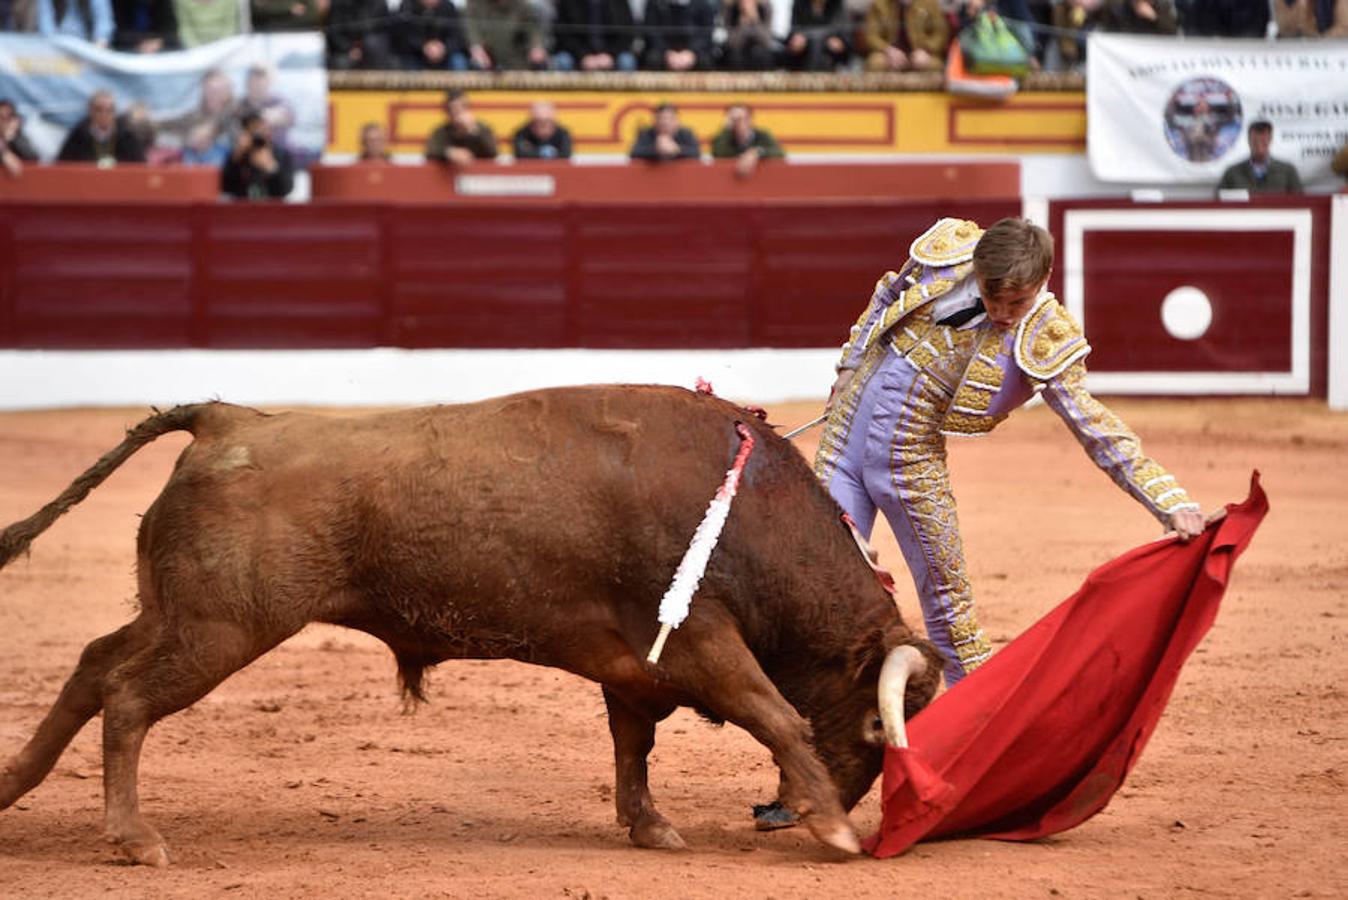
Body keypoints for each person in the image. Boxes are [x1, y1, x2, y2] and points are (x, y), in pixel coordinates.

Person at [753, 217, 1205, 832]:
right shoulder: (947, 255)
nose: (998, 309)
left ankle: (988, 771)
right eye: (990, 295)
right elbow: (886, 294)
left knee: (951, 618)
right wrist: (846, 370)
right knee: (813, 614)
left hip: (909, 468)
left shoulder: (1046, 334)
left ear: (1042, 282)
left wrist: (1167, 499)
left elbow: (1097, 428)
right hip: (842, 443)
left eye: (1013, 300)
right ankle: (806, 782)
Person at [57, 90, 146, 165]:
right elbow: (62, 165)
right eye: (99, 110)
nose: (104, 114)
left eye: (109, 110)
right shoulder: (78, 136)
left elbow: (140, 166)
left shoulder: (127, 137)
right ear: (90, 110)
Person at [221, 110, 294, 199]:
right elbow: (226, 188)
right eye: (250, 130)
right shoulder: (238, 154)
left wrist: (271, 167)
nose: (256, 134)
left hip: (271, 208)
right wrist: (237, 157)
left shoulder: (280, 154)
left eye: (259, 128)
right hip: (242, 207)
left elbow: (286, 189)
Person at [1217, 120, 1303, 194]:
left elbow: (1300, 202)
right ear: (1248, 141)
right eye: (1255, 141)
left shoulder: (1287, 172)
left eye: (1263, 141)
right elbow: (1219, 202)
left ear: (1270, 140)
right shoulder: (1232, 173)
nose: (1259, 146)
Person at [863, 0, 950, 72]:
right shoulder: (879, 4)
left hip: (921, 54)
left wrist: (925, 50)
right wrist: (889, 50)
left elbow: (941, 33)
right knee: (875, 63)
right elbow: (871, 36)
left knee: (934, 66)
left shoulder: (930, 3)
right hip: (888, 55)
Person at [551, 0, 637, 72]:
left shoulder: (619, 2)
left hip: (611, 54)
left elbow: (628, 32)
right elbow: (563, 35)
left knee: (627, 62)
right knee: (563, 61)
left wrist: (610, 55)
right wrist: (583, 56)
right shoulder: (568, 2)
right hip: (576, 53)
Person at [464, 0, 548, 70]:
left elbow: (533, 30)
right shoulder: (474, 4)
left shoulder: (523, 6)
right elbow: (471, 29)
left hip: (518, 65)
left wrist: (536, 48)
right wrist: (476, 47)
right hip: (487, 64)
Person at [424, 89, 498, 164]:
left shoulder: (482, 129)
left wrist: (473, 131)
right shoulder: (441, 132)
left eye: (462, 107)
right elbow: (430, 152)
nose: (458, 113)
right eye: (453, 109)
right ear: (448, 113)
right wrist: (449, 153)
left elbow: (493, 153)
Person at [709, 103, 783, 177]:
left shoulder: (762, 135)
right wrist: (725, 129)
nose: (737, 123)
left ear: (750, 120)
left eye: (741, 119)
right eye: (733, 119)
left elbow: (779, 153)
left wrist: (756, 152)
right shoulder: (723, 138)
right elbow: (718, 154)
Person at [640, 0, 715, 71]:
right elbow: (652, 32)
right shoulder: (655, 3)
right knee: (653, 59)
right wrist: (667, 53)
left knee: (706, 61)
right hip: (663, 51)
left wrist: (692, 53)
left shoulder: (702, 4)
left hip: (694, 52)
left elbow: (706, 34)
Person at [395, 0, 469, 70]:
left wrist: (443, 48)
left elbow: (457, 37)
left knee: (458, 61)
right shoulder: (407, 7)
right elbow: (402, 38)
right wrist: (424, 47)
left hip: (445, 55)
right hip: (416, 55)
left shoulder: (448, 7)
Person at [783, 0, 850, 71]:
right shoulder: (799, 3)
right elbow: (794, 28)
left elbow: (842, 31)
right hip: (806, 49)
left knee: (826, 45)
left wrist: (840, 41)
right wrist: (796, 37)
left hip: (828, 50)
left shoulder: (837, 4)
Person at [628, 102, 699, 161]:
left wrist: (676, 150)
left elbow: (696, 153)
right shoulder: (645, 134)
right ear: (654, 122)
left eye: (670, 119)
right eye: (661, 118)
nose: (665, 122)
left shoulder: (686, 134)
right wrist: (656, 149)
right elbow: (634, 153)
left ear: (677, 122)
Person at [721, 0, 777, 71]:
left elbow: (766, 41)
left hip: (759, 49)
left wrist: (755, 19)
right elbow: (732, 42)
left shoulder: (765, 7)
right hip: (738, 49)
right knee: (734, 56)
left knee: (763, 55)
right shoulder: (730, 8)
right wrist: (743, 22)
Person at [110, 0, 181, 52]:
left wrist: (157, 43)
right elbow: (117, 33)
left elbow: (172, 32)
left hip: (160, 50)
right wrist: (142, 43)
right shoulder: (119, 3)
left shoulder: (164, 3)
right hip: (129, 49)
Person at [0, 99, 39, 178]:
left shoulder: (19, 138)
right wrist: (3, 153)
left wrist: (12, 139)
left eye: (8, 117)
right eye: (1, 117)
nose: (4, 121)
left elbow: (33, 157)